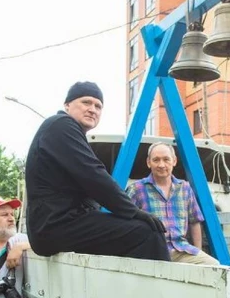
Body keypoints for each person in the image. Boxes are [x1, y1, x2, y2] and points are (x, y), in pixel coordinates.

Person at [25, 81, 170, 261]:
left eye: (98, 106)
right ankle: (154, 290)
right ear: (67, 105)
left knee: (129, 231)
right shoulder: (61, 125)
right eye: (86, 102)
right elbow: (93, 175)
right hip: (57, 226)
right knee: (148, 233)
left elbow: (89, 181)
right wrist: (133, 211)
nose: (93, 109)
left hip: (56, 226)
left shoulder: (65, 131)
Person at [127, 142, 219, 265]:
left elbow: (195, 221)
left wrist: (198, 251)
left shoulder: (185, 188)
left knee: (213, 266)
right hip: (150, 252)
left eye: (166, 159)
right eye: (156, 160)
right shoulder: (136, 189)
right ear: (148, 162)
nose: (161, 165)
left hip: (181, 250)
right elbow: (124, 221)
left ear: (174, 161)